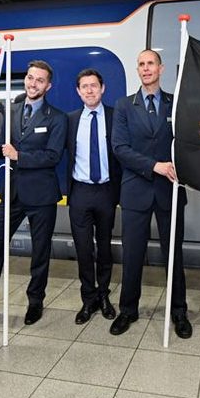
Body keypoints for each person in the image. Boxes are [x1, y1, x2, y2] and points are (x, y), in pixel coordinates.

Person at [0, 60, 68, 328]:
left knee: (39, 252)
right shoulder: (11, 111)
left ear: (48, 86)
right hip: (12, 193)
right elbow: (3, 152)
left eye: (39, 80)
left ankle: (35, 302)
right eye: (30, 78)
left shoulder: (57, 118)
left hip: (42, 196)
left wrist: (20, 155)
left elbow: (53, 156)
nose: (33, 83)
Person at [110, 49, 191, 339]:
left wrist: (185, 166)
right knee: (132, 254)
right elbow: (119, 148)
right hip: (135, 191)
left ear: (161, 68)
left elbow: (188, 142)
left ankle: (179, 312)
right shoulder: (124, 106)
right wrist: (154, 165)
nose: (146, 69)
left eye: (150, 64)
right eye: (141, 64)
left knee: (174, 255)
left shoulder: (176, 103)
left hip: (170, 190)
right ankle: (128, 310)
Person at [66, 69, 121, 324]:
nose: (89, 90)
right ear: (78, 91)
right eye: (84, 86)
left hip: (106, 192)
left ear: (103, 88)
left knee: (105, 248)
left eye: (94, 86)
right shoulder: (71, 120)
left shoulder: (115, 117)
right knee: (84, 249)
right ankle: (88, 300)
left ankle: (104, 295)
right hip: (80, 192)